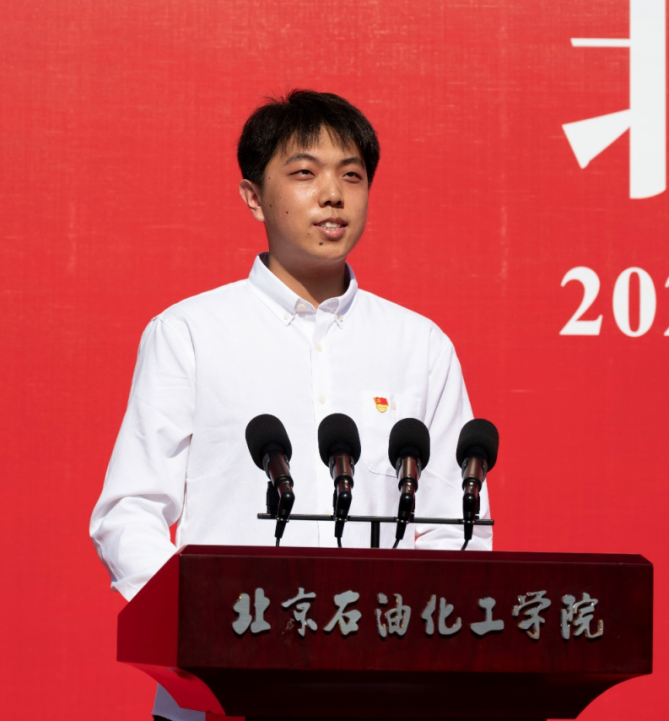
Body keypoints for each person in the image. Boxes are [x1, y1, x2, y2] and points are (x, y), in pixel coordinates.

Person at [89, 90, 492, 721]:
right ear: (253, 197)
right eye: (305, 173)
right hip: (221, 688)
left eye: (351, 176)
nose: (332, 195)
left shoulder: (419, 346)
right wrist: (199, 624)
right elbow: (130, 511)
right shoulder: (190, 333)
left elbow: (452, 529)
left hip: (379, 689)